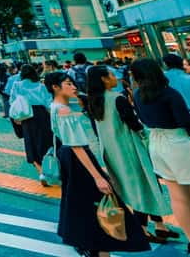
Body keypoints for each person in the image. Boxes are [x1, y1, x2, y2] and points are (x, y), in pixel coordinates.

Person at [47, 71, 149, 255]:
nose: (74, 87)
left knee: (79, 201)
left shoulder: (54, 106)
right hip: (78, 157)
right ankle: (99, 246)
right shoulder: (64, 110)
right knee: (100, 199)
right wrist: (97, 176)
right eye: (68, 84)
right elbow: (77, 146)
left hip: (67, 157)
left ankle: (86, 242)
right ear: (55, 87)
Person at [85, 66, 176, 244]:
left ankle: (160, 227)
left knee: (140, 186)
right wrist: (147, 135)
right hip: (130, 148)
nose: (115, 78)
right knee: (143, 186)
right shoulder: (117, 99)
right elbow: (133, 123)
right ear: (104, 79)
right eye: (111, 75)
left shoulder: (94, 101)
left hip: (111, 152)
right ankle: (142, 229)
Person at [131, 58, 190, 254]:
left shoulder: (138, 95)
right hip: (178, 143)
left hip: (156, 143)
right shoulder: (169, 94)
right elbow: (184, 121)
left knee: (177, 196)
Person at [10, 64, 54, 184]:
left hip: (26, 116)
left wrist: (15, 117)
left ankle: (41, 173)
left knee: (31, 144)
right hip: (42, 115)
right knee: (45, 142)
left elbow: (12, 101)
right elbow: (48, 102)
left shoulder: (17, 85)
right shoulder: (41, 86)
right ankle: (50, 169)